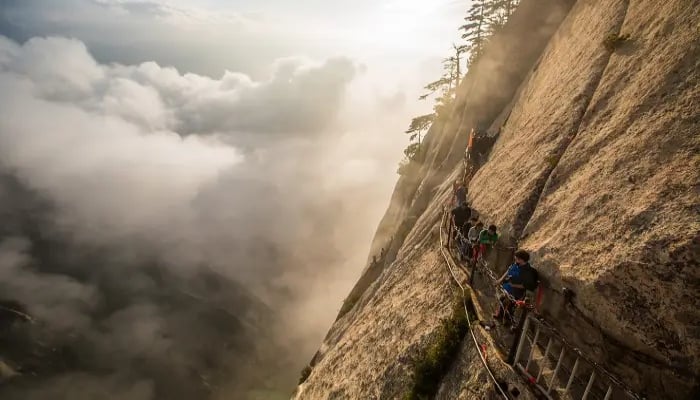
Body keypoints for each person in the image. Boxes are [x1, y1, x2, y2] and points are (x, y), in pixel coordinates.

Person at [493, 250, 539, 321]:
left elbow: (525, 286)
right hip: (508, 288)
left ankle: (507, 321)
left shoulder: (527, 271)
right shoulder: (516, 264)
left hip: (516, 292)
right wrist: (499, 280)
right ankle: (499, 315)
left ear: (521, 259)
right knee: (502, 300)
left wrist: (513, 285)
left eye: (516, 258)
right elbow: (508, 271)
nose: (515, 259)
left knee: (510, 306)